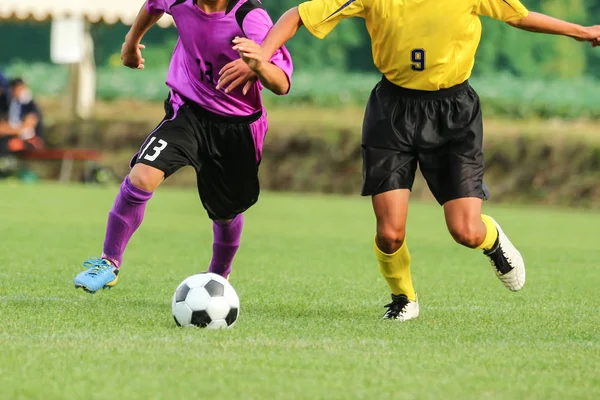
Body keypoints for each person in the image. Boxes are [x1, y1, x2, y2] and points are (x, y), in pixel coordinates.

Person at [228, 0, 600, 320]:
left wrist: (581, 32)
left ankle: (492, 241)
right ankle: (404, 298)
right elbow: (297, 14)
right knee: (389, 233)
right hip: (392, 112)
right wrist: (263, 52)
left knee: (465, 231)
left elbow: (519, 17)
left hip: (454, 114)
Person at [73, 0, 293, 294]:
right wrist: (131, 42)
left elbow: (281, 84)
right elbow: (153, 5)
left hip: (238, 127)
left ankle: (218, 276)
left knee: (226, 212)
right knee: (142, 176)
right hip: (188, 109)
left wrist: (259, 65)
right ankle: (109, 262)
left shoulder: (249, 17)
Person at [0, 78, 44, 157]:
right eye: (15, 89)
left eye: (21, 88)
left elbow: (27, 126)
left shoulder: (30, 105)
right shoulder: (11, 104)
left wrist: (6, 130)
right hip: (13, 136)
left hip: (29, 140)